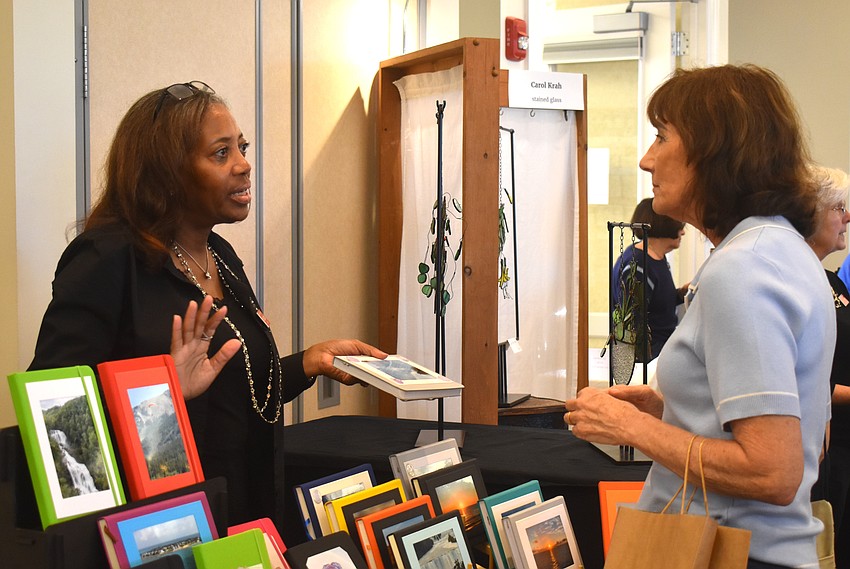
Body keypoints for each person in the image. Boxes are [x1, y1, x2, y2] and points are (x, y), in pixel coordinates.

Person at [28, 81, 387, 526]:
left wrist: (307, 363)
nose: (244, 165)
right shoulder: (106, 259)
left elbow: (233, 390)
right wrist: (162, 398)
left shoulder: (220, 254)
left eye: (242, 147)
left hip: (241, 511)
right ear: (166, 173)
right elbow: (56, 422)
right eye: (221, 153)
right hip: (161, 530)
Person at [565, 65, 834, 568]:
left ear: (716, 152)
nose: (647, 160)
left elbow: (771, 473)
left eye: (662, 137)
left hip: (732, 553)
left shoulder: (744, 268)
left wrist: (630, 426)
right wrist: (669, 410)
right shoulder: (777, 248)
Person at [807, 165, 850, 567]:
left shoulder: (831, 283)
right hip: (816, 456)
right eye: (839, 206)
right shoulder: (797, 284)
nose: (847, 216)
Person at [612, 197, 687, 360]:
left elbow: (656, 304)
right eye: (679, 225)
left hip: (659, 354)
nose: (683, 232)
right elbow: (632, 324)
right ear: (664, 223)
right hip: (647, 361)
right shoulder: (638, 265)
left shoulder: (656, 259)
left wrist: (681, 293)